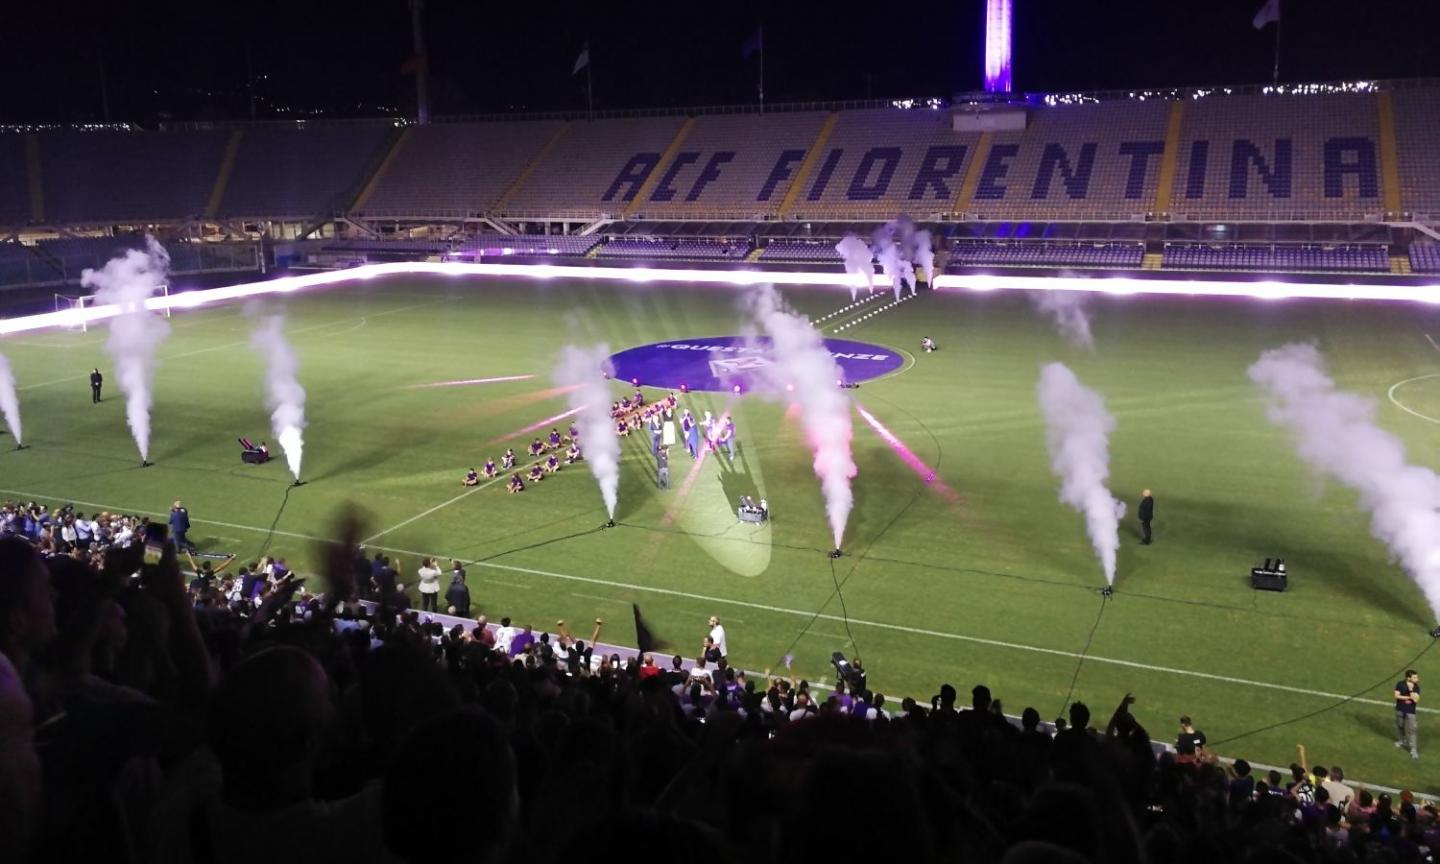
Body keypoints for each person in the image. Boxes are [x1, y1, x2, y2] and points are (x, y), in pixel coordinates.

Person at [1395, 669, 1420, 760]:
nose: (1417, 679)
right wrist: (1409, 696)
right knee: (1400, 726)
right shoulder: (1400, 684)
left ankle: (1413, 750)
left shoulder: (1416, 687)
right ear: (1408, 678)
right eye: (1414, 677)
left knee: (1412, 731)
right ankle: (1403, 740)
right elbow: (1396, 696)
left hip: (1411, 712)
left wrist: (1410, 690)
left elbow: (1416, 700)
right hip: (1400, 709)